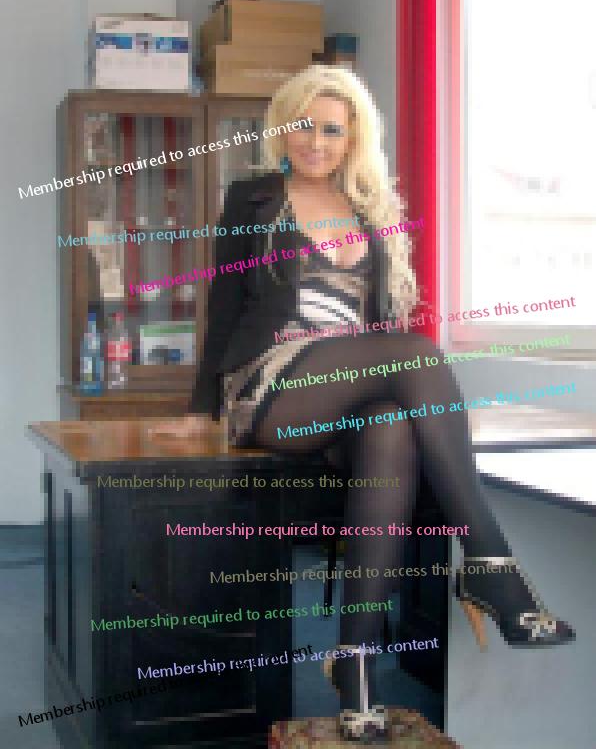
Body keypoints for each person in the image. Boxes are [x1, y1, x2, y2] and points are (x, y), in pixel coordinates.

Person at [151, 65, 574, 742]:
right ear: (282, 128)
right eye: (304, 127)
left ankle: (355, 666)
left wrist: (416, 397)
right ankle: (491, 565)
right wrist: (199, 410)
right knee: (417, 354)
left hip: (351, 384)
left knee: (390, 427)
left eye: (332, 130)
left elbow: (378, 322)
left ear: (353, 139)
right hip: (272, 381)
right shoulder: (253, 199)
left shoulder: (370, 208)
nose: (315, 142)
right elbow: (223, 306)